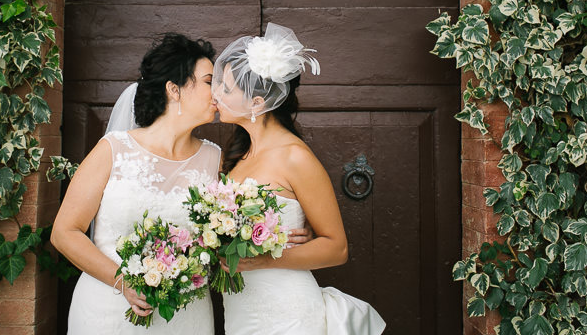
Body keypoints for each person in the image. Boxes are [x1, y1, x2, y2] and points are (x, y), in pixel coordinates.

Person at [212, 23, 387, 335]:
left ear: (256, 103)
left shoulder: (295, 157)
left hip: (287, 311)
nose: (217, 95)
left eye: (227, 89)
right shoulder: (238, 155)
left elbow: (337, 248)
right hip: (241, 309)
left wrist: (266, 259)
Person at [51, 34, 221, 333]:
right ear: (175, 89)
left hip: (184, 317)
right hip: (107, 310)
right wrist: (123, 281)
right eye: (209, 81)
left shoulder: (214, 159)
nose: (218, 91)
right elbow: (65, 232)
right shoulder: (113, 150)